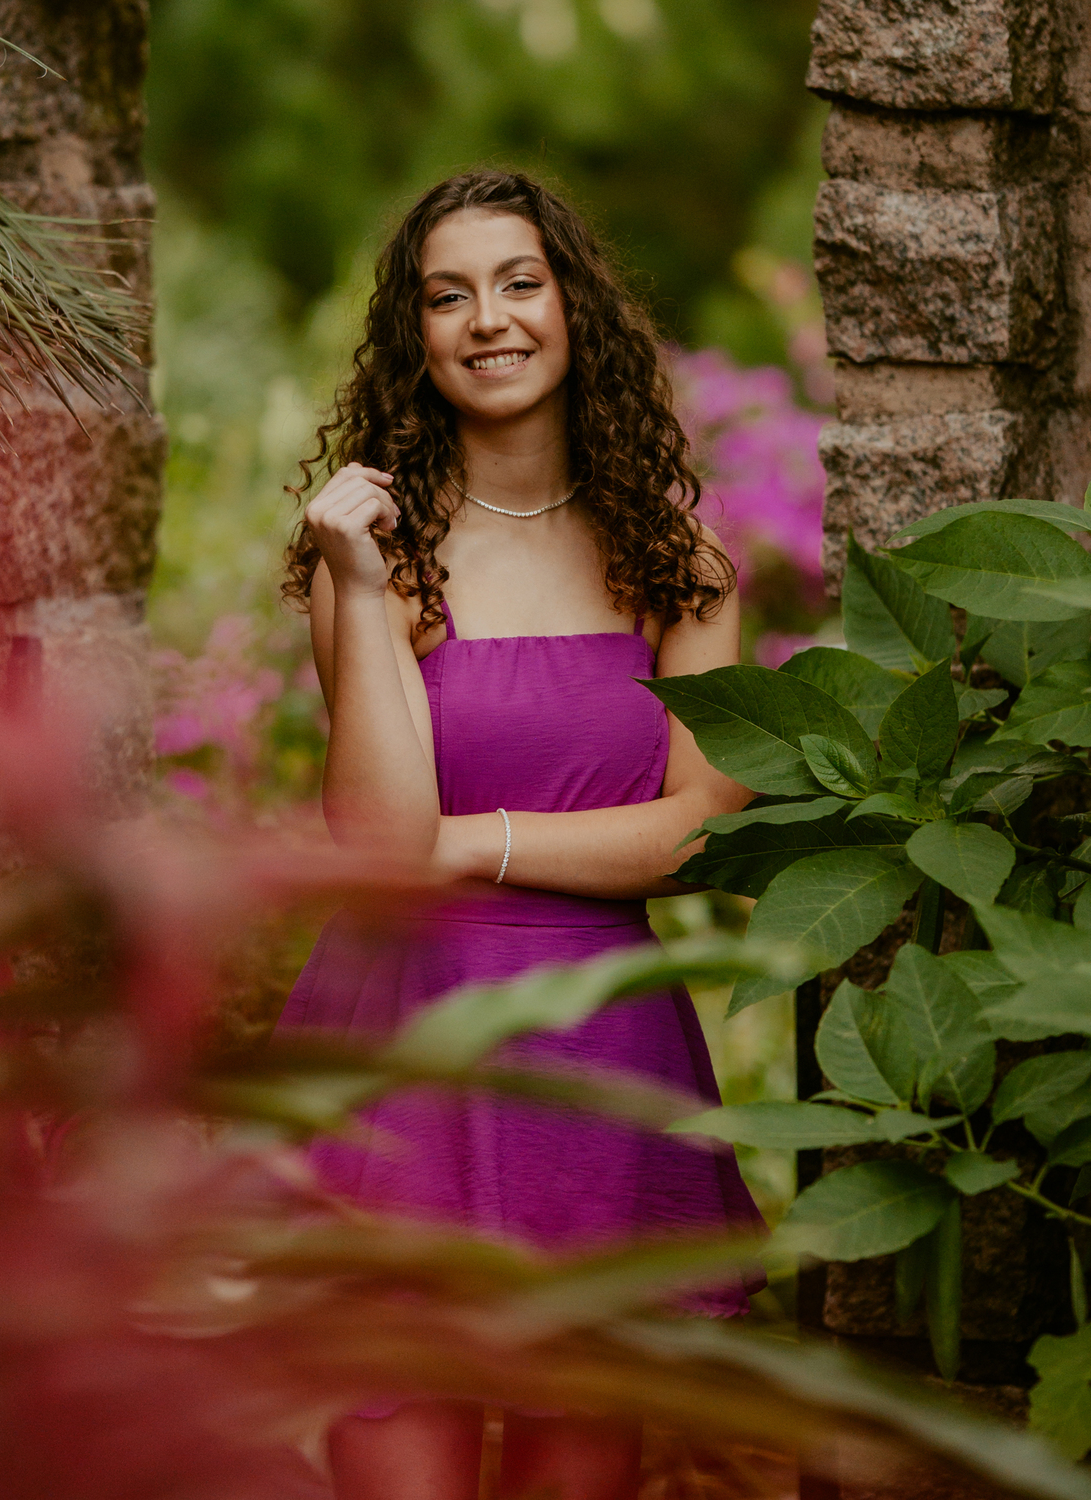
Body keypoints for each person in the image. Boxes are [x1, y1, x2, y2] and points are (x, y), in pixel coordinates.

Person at [278, 169, 763, 1500]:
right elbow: (379, 841)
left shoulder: (682, 561)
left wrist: (466, 845)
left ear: (572, 308)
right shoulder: (374, 554)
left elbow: (698, 836)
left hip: (602, 1054)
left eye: (517, 282)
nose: (486, 319)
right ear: (415, 337)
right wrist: (365, 590)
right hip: (407, 1044)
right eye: (447, 295)